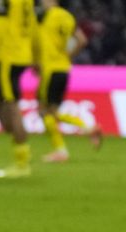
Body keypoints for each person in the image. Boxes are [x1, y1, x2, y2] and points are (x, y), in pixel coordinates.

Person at [35, 0, 102, 162]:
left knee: (45, 111)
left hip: (50, 70)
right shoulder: (67, 16)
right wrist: (68, 55)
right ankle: (88, 129)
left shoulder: (42, 16)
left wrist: (36, 62)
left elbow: (36, 43)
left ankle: (61, 150)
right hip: (63, 69)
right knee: (53, 112)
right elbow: (82, 40)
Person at [0, 0, 37, 179]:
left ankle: (22, 163)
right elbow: (32, 27)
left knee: (11, 106)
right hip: (22, 54)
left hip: (8, 57)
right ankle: (16, 134)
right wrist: (35, 55)